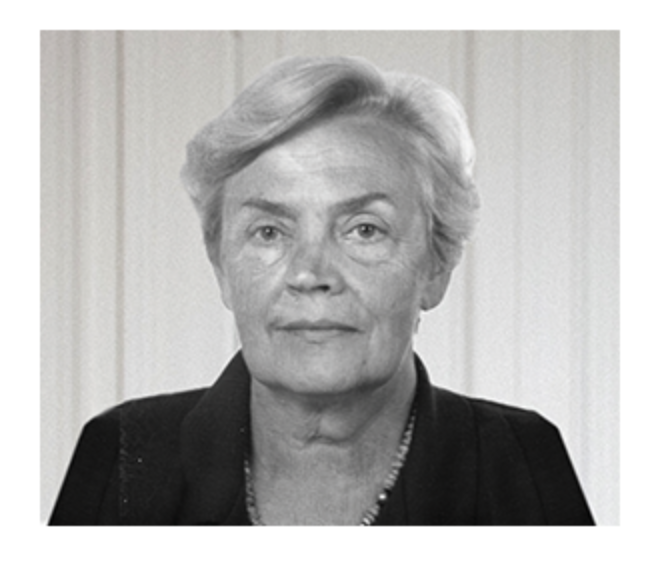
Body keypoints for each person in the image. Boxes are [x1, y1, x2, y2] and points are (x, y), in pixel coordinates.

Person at [49, 56, 594, 525]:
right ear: (221, 267)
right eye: (269, 232)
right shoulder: (121, 454)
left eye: (364, 229)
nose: (310, 273)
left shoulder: (522, 461)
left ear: (437, 265)